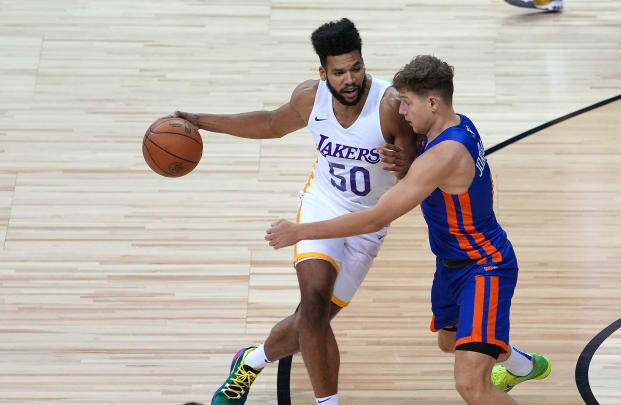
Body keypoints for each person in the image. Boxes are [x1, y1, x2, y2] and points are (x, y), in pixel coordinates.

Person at [266, 55, 551, 404]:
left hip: (485, 267)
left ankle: (507, 366)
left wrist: (300, 232)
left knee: (471, 384)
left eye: (407, 103)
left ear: (432, 102)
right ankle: (523, 366)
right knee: (450, 341)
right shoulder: (455, 125)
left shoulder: (442, 155)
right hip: (452, 265)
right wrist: (408, 162)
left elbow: (375, 217)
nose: (400, 112)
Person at [173, 18, 416, 405]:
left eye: (356, 67)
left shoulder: (390, 106)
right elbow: (270, 124)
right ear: (323, 73)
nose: (350, 79)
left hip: (369, 221)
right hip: (323, 204)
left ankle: (250, 361)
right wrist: (201, 122)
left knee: (311, 322)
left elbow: (413, 169)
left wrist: (404, 164)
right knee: (315, 301)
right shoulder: (309, 98)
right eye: (339, 72)